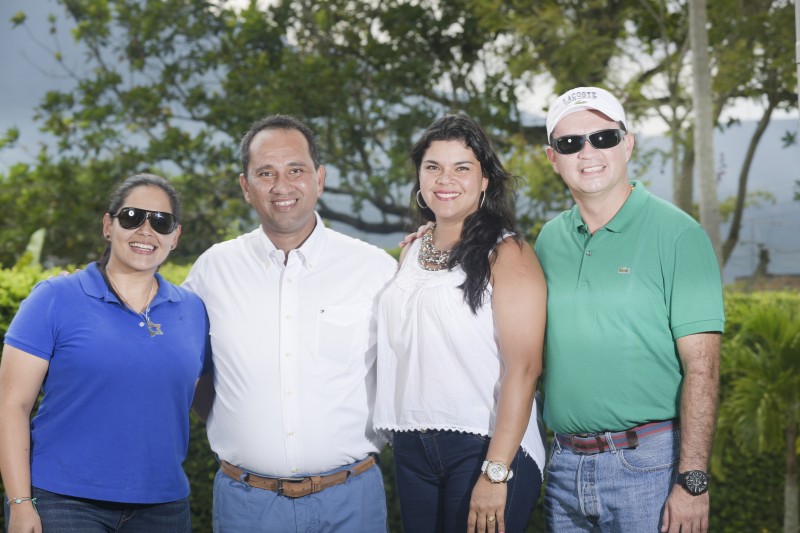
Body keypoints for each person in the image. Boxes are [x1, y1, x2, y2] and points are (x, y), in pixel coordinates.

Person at [183, 115, 397, 532]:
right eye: (266, 173)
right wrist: (231, 418)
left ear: (319, 178)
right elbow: (182, 365)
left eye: (295, 170)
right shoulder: (213, 270)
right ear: (246, 187)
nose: (282, 186)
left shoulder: (374, 269)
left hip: (351, 500)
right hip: (247, 505)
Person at [536, 86, 725, 533]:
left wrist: (693, 482)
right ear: (552, 158)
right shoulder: (547, 241)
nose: (588, 152)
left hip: (650, 469)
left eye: (603, 137)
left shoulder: (679, 234)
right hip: (564, 467)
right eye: (570, 143)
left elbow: (704, 367)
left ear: (628, 143)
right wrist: (434, 238)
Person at [0, 173, 211, 533]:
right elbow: (11, 405)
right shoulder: (54, 298)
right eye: (132, 217)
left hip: (164, 505)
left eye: (161, 222)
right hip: (64, 502)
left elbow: (202, 399)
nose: (146, 230)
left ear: (175, 237)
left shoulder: (192, 310)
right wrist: (20, 504)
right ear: (108, 226)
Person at [374, 114, 547, 533]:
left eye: (462, 168)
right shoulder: (413, 251)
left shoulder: (508, 253)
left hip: (484, 446)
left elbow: (524, 368)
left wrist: (496, 471)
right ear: (419, 176)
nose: (444, 179)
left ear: (484, 180)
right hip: (412, 445)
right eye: (433, 167)